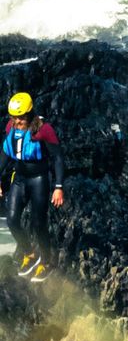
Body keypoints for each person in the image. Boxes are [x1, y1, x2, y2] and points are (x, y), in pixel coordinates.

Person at [0, 92, 65, 282]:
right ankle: (29, 254)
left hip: (39, 179)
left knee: (39, 224)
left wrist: (58, 186)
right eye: (14, 117)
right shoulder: (10, 127)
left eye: (21, 117)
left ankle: (46, 261)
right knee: (12, 220)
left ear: (30, 113)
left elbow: (58, 157)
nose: (17, 121)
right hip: (19, 178)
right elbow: (4, 154)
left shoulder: (43, 130)